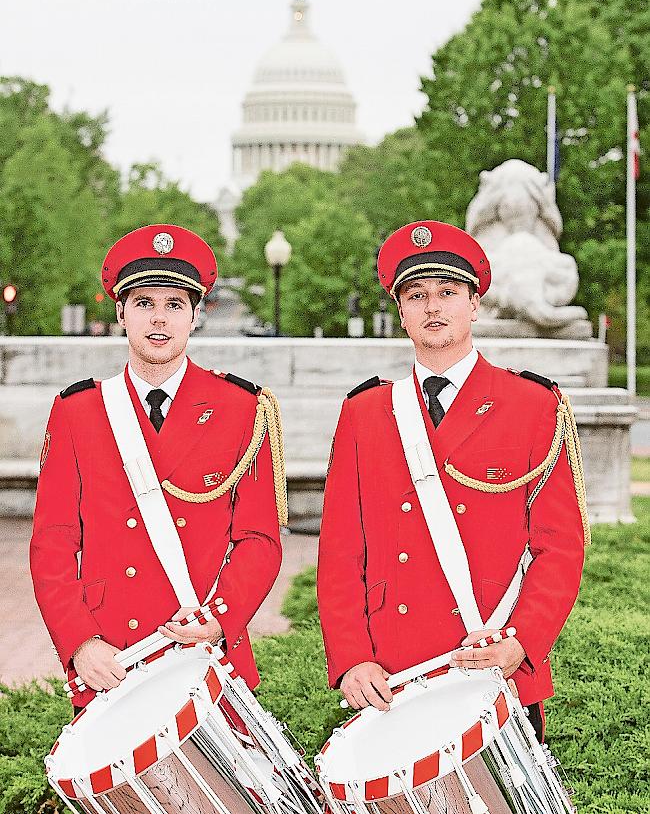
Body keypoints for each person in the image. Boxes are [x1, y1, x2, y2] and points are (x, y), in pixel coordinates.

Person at [317, 220, 588, 742]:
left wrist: (524, 642)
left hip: (494, 664)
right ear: (401, 311)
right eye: (416, 295)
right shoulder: (364, 412)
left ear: (474, 304)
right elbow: (341, 550)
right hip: (395, 677)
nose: (432, 307)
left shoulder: (533, 405)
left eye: (447, 292)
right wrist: (352, 659)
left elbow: (560, 547)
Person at [31, 224, 285, 711]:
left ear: (195, 317)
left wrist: (220, 617)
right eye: (144, 303)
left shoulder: (242, 408)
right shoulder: (78, 411)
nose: (159, 320)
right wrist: (80, 642)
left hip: (205, 651)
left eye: (174, 305)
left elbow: (259, 539)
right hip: (112, 658)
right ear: (121, 312)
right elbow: (53, 543)